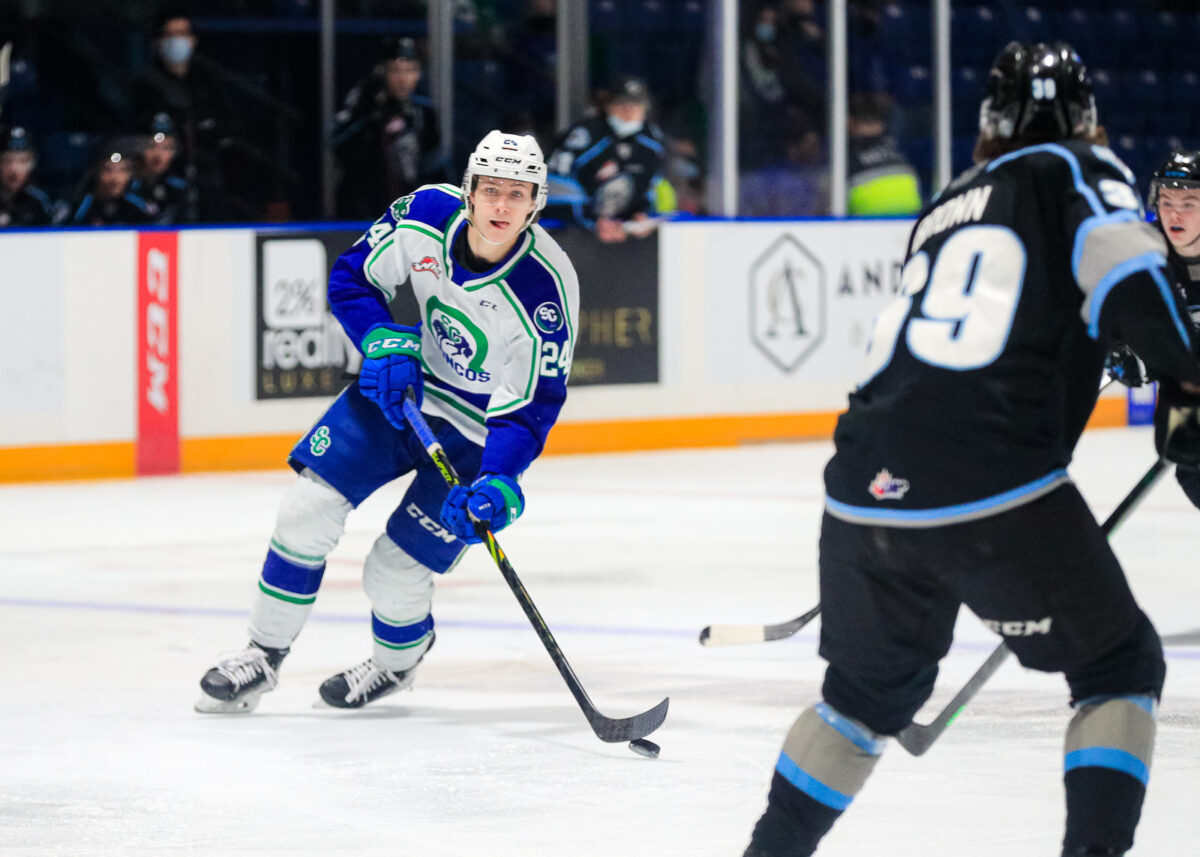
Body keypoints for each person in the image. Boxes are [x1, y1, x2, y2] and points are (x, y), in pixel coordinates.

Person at [743, 42, 1200, 857]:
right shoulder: (1078, 169)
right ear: (1088, 117)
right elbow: (1132, 283)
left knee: (858, 700)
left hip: (859, 487)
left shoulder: (946, 204)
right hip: (994, 480)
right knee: (1119, 667)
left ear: (988, 121)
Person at [195, 130, 579, 714]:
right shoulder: (425, 214)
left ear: (537, 202)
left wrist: (499, 480)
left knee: (394, 571)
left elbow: (530, 406)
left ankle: (396, 666)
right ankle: (262, 655)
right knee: (305, 511)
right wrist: (382, 341)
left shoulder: (547, 291)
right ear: (469, 191)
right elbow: (353, 278)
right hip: (403, 392)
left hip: (477, 435)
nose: (502, 206)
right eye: (492, 190)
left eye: (518, 194)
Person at [1107, 150, 1200, 510]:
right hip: (1188, 396)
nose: (1174, 213)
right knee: (1190, 464)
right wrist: (1125, 349)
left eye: (1189, 203)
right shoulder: (1143, 256)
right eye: (1167, 201)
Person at [131, 11, 236, 220]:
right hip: (165, 176)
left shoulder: (207, 83)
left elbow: (227, 123)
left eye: (182, 33)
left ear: (192, 40)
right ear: (157, 42)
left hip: (207, 174)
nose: (177, 40)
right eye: (170, 35)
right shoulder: (146, 84)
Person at [331, 36, 446, 221]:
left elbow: (434, 165)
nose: (403, 78)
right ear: (383, 71)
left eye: (410, 70)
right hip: (363, 210)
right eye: (395, 70)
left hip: (409, 212)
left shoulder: (424, 112)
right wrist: (372, 119)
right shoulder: (364, 103)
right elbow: (337, 143)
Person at [546, 75, 668, 243]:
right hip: (570, 237)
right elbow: (552, 186)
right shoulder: (585, 135)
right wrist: (592, 219)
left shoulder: (652, 141)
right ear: (608, 106)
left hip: (627, 243)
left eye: (636, 106)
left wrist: (642, 214)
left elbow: (650, 188)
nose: (628, 113)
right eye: (622, 105)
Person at [845, 92, 921, 216]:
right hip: (910, 217)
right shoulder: (898, 149)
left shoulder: (845, 155)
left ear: (848, 121)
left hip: (863, 222)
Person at [68, 145, 157, 227]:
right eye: (108, 170)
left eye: (122, 170)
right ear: (96, 172)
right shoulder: (80, 204)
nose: (115, 179)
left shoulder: (137, 205)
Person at [133, 112, 194, 224]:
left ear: (175, 152)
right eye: (152, 146)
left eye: (166, 148)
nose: (158, 155)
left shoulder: (179, 188)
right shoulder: (124, 187)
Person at [0, 126, 60, 227]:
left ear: (32, 164)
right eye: (7, 161)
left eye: (22, 161)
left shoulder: (40, 202)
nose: (14, 169)